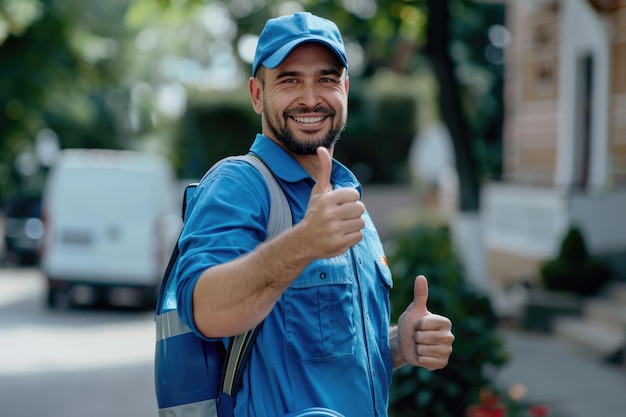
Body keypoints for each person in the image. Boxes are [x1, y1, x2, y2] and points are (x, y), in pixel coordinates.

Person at [174, 11, 454, 417]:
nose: (310, 98)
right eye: (289, 80)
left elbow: (323, 348)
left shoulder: (344, 196)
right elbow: (206, 311)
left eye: (326, 79)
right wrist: (303, 243)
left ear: (345, 89)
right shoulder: (239, 185)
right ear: (257, 94)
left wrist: (397, 346)